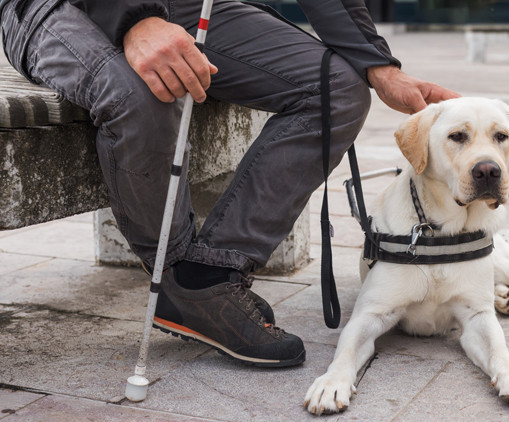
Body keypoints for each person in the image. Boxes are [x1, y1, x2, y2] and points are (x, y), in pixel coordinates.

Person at [1, 0, 459, 367]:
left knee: (335, 86)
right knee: (137, 89)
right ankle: (181, 280)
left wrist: (380, 67)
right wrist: (135, 19)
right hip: (63, 8)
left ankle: (211, 275)